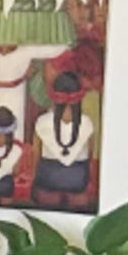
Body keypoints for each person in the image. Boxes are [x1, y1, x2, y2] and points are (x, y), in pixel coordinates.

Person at [32, 68, 97, 205]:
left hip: (48, 176)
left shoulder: (42, 121)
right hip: (78, 177)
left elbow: (36, 154)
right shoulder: (87, 122)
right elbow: (90, 154)